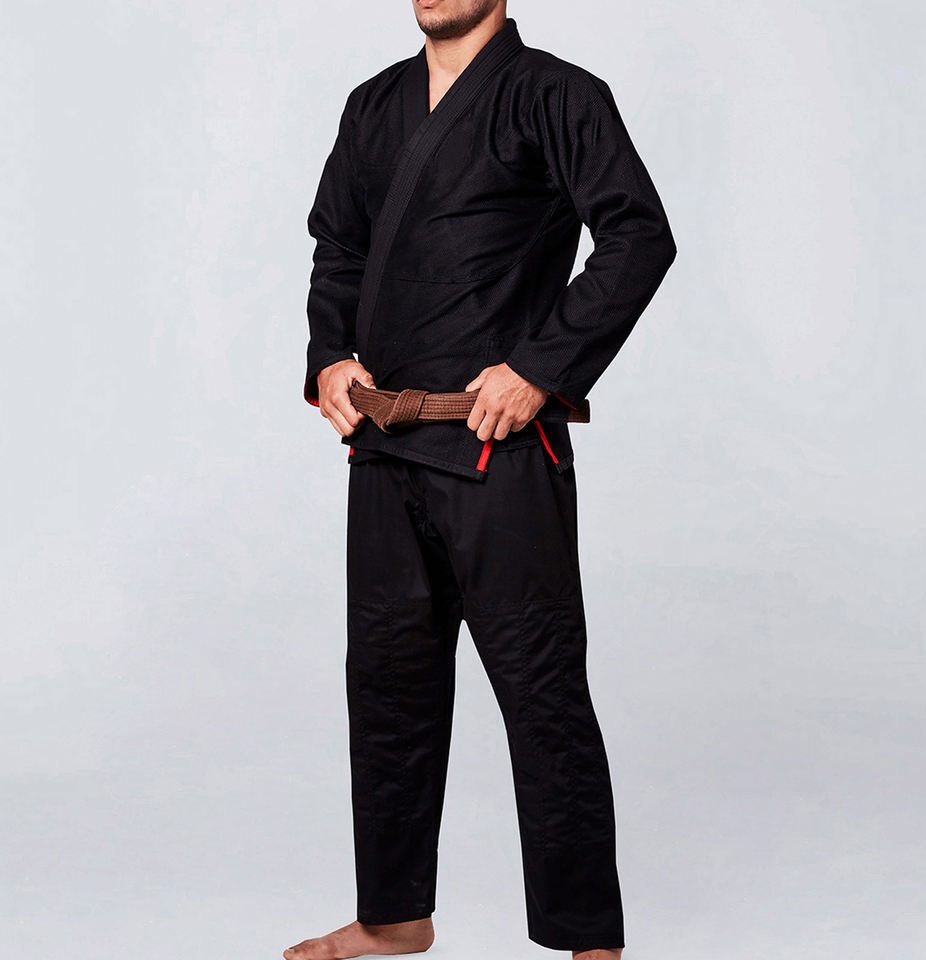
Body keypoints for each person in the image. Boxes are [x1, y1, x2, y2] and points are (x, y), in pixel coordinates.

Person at [285, 2, 676, 958]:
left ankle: (589, 940)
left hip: (499, 451)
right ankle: (394, 918)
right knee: (387, 690)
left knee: (542, 692)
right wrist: (330, 356)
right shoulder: (373, 105)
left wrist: (542, 366)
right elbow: (339, 248)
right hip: (385, 444)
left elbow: (638, 234)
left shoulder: (556, 94)